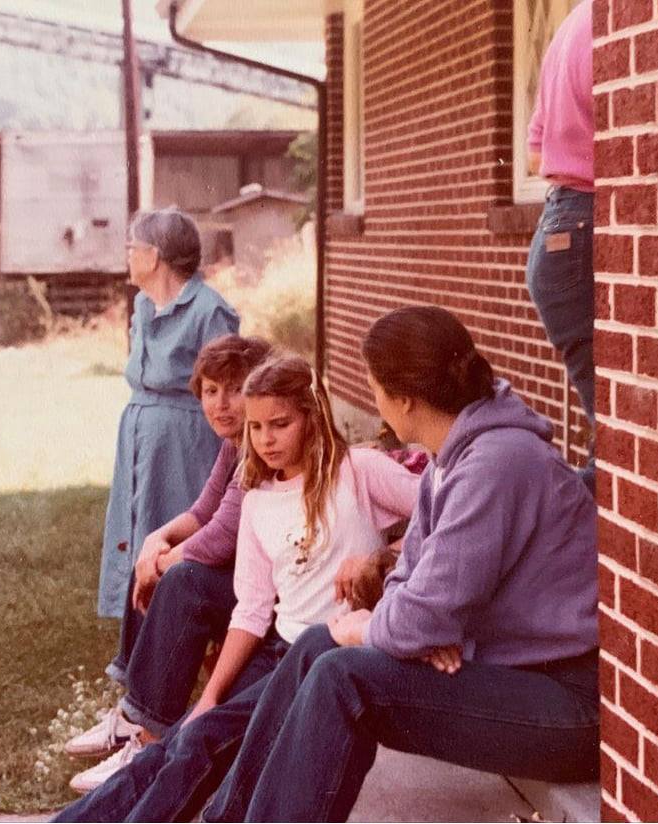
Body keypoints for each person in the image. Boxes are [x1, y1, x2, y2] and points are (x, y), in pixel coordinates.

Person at [202, 305, 599, 823]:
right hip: (511, 673)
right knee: (315, 644)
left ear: (404, 399)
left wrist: (380, 628)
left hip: (569, 705)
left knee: (344, 675)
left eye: (374, 388)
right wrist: (411, 626)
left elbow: (419, 615)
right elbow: (411, 583)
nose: (375, 401)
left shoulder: (497, 464)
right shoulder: (449, 460)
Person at [52, 354, 421, 822]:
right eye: (256, 427)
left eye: (280, 424)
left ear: (312, 415)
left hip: (327, 656)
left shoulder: (358, 471)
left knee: (201, 746)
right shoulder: (258, 502)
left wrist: (382, 560)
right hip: (274, 650)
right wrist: (209, 697)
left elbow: (445, 511)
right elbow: (250, 610)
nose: (265, 440)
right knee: (174, 743)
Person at [65, 334, 272, 792]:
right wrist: (155, 542)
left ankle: (147, 730)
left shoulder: (261, 446)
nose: (221, 404)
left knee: (182, 579)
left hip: (274, 602)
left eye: (235, 390)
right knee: (157, 560)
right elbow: (203, 511)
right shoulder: (235, 445)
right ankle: (131, 712)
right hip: (250, 583)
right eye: (211, 390)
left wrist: (160, 563)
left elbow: (222, 535)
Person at [98, 209, 239, 620]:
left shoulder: (210, 310)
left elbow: (229, 386)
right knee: (136, 524)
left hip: (188, 439)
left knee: (176, 526)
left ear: (155, 254)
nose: (127, 254)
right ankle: (137, 627)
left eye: (132, 247)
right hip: (141, 433)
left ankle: (178, 623)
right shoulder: (142, 305)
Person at [526, 0, 594, 487]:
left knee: (609, 424)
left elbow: (535, 155)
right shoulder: (625, 16)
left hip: (559, 224)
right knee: (619, 427)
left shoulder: (570, 24)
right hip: (585, 226)